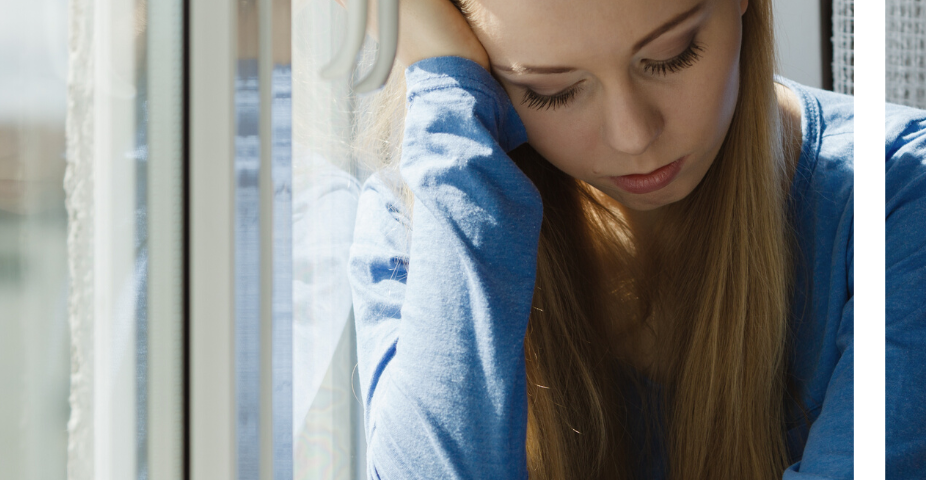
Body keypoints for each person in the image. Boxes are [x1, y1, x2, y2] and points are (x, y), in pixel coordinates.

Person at [345, 0, 871, 478]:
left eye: (671, 55)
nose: (633, 135)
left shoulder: (892, 204)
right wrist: (445, 81)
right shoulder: (419, 222)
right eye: (552, 91)